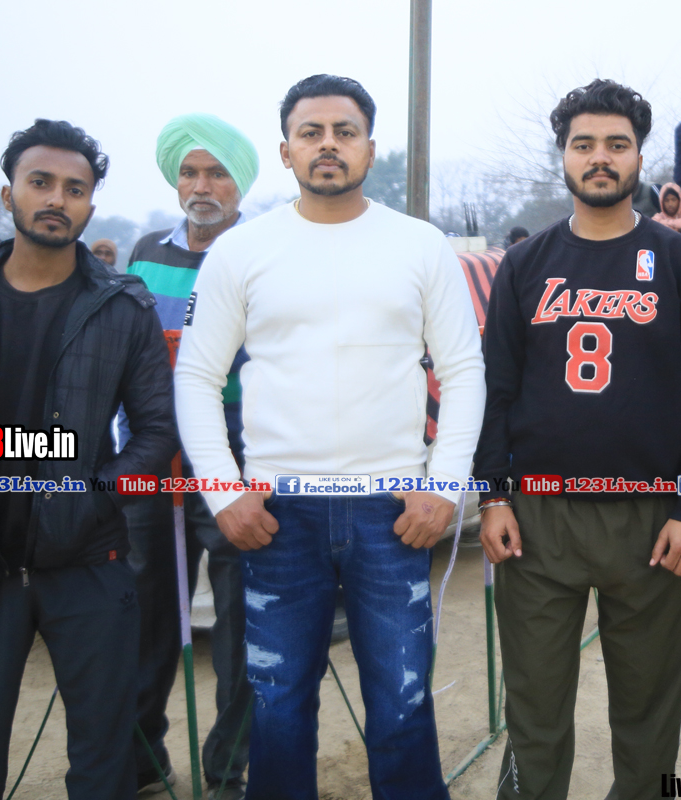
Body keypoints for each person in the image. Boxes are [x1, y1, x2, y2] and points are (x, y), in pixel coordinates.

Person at [173, 74, 485, 800]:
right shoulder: (241, 251)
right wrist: (223, 493)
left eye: (345, 132)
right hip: (277, 513)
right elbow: (196, 376)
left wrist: (444, 489)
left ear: (370, 148)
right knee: (279, 706)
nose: (328, 145)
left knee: (402, 702)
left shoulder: (419, 244)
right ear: (286, 151)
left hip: (393, 511)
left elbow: (465, 371)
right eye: (310, 133)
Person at [0, 118, 177, 800]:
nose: (56, 198)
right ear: (7, 194)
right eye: (40, 181)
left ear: (90, 205)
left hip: (90, 565)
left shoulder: (123, 305)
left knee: (104, 752)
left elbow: (155, 433)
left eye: (75, 189)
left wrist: (96, 499)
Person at [474, 78, 681, 800]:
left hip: (653, 518)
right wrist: (492, 496)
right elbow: (496, 390)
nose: (600, 158)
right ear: (562, 156)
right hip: (538, 518)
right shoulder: (524, 264)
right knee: (534, 707)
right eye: (583, 144)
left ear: (639, 158)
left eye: (617, 145)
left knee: (648, 712)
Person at [125, 112, 259, 799]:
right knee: (144, 607)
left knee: (239, 616)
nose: (202, 186)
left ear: (241, 183)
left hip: (235, 444)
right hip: (153, 444)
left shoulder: (264, 248)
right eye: (189, 172)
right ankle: (143, 761)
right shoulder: (146, 250)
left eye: (216, 173)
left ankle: (228, 770)